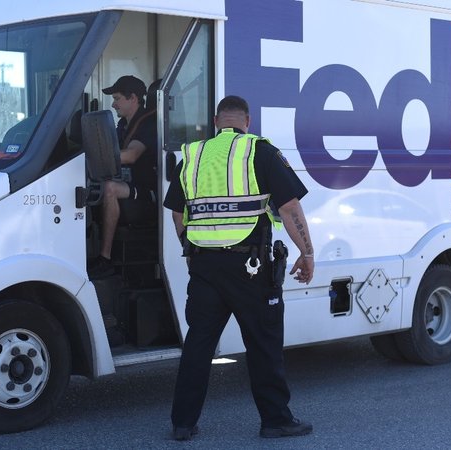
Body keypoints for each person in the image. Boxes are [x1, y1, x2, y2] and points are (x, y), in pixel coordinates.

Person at [163, 95, 315, 440]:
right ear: (247, 122)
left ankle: (183, 424)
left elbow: (177, 212)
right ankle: (275, 420)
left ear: (217, 121)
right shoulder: (259, 151)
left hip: (204, 266)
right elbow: (289, 207)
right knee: (263, 344)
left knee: (198, 344)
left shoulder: (193, 156)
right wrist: (307, 253)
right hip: (251, 267)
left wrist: (191, 249)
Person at [88, 75, 158, 279]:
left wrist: (94, 156)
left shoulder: (148, 123)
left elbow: (131, 155)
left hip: (150, 193)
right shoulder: (123, 125)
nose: (113, 104)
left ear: (133, 98)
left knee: (110, 188)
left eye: (117, 98)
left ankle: (105, 258)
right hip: (131, 185)